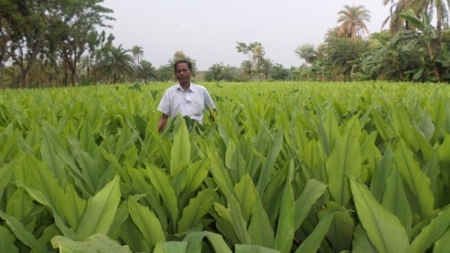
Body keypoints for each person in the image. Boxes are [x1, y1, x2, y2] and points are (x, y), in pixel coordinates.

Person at [157, 60, 216, 131]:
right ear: (175, 74)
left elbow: (213, 112)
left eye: (185, 70)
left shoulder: (201, 91)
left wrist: (214, 131)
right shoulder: (169, 92)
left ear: (191, 72)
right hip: (177, 133)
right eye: (179, 71)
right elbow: (164, 117)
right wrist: (154, 135)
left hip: (198, 133)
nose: (182, 73)